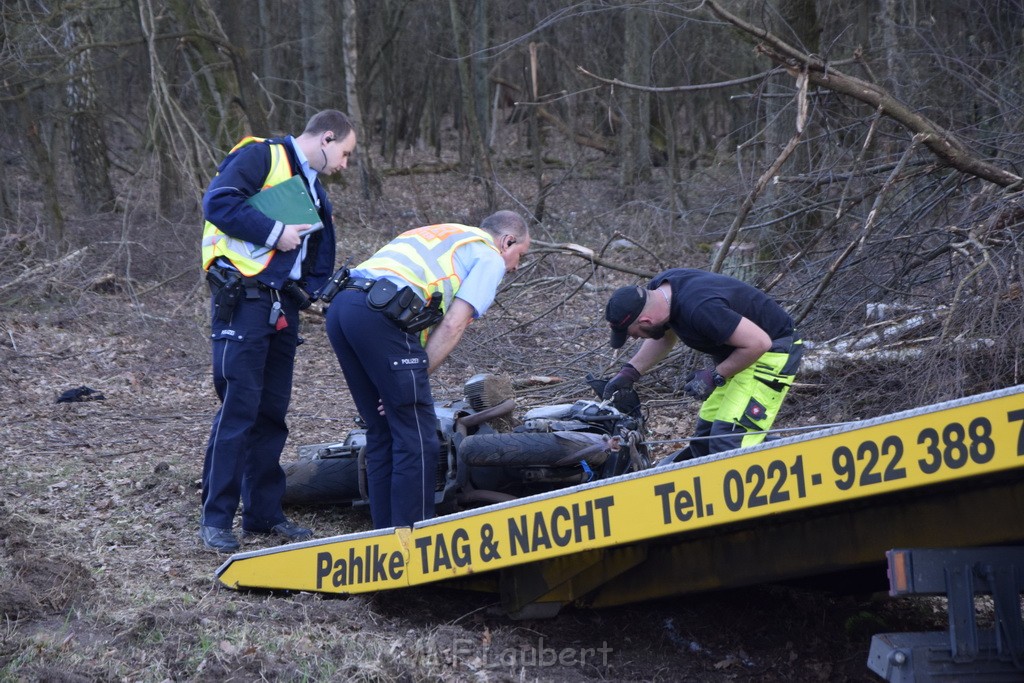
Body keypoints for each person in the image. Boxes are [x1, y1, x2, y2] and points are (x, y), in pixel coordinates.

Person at [198, 110, 357, 553]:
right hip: (244, 303)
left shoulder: (310, 184)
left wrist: (314, 291)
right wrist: (274, 232)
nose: (345, 164)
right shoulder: (261, 156)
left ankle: (264, 514)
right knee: (238, 411)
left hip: (280, 308)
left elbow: (312, 252)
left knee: (271, 414)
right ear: (326, 138)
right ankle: (215, 520)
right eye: (344, 153)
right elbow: (218, 203)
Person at [325, 211, 530, 528]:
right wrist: (415, 378)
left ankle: (383, 540)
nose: (516, 266)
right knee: (418, 437)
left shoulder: (446, 232)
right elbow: (452, 325)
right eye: (520, 256)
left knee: (383, 432)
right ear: (507, 241)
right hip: (380, 316)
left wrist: (402, 383)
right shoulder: (489, 256)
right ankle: (413, 544)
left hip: (343, 307)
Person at [603, 268, 802, 460]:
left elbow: (759, 343)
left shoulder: (700, 307)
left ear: (646, 320)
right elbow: (664, 336)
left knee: (728, 440)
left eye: (634, 334)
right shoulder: (660, 291)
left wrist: (715, 376)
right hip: (740, 355)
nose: (636, 338)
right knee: (706, 438)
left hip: (771, 352)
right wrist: (629, 373)